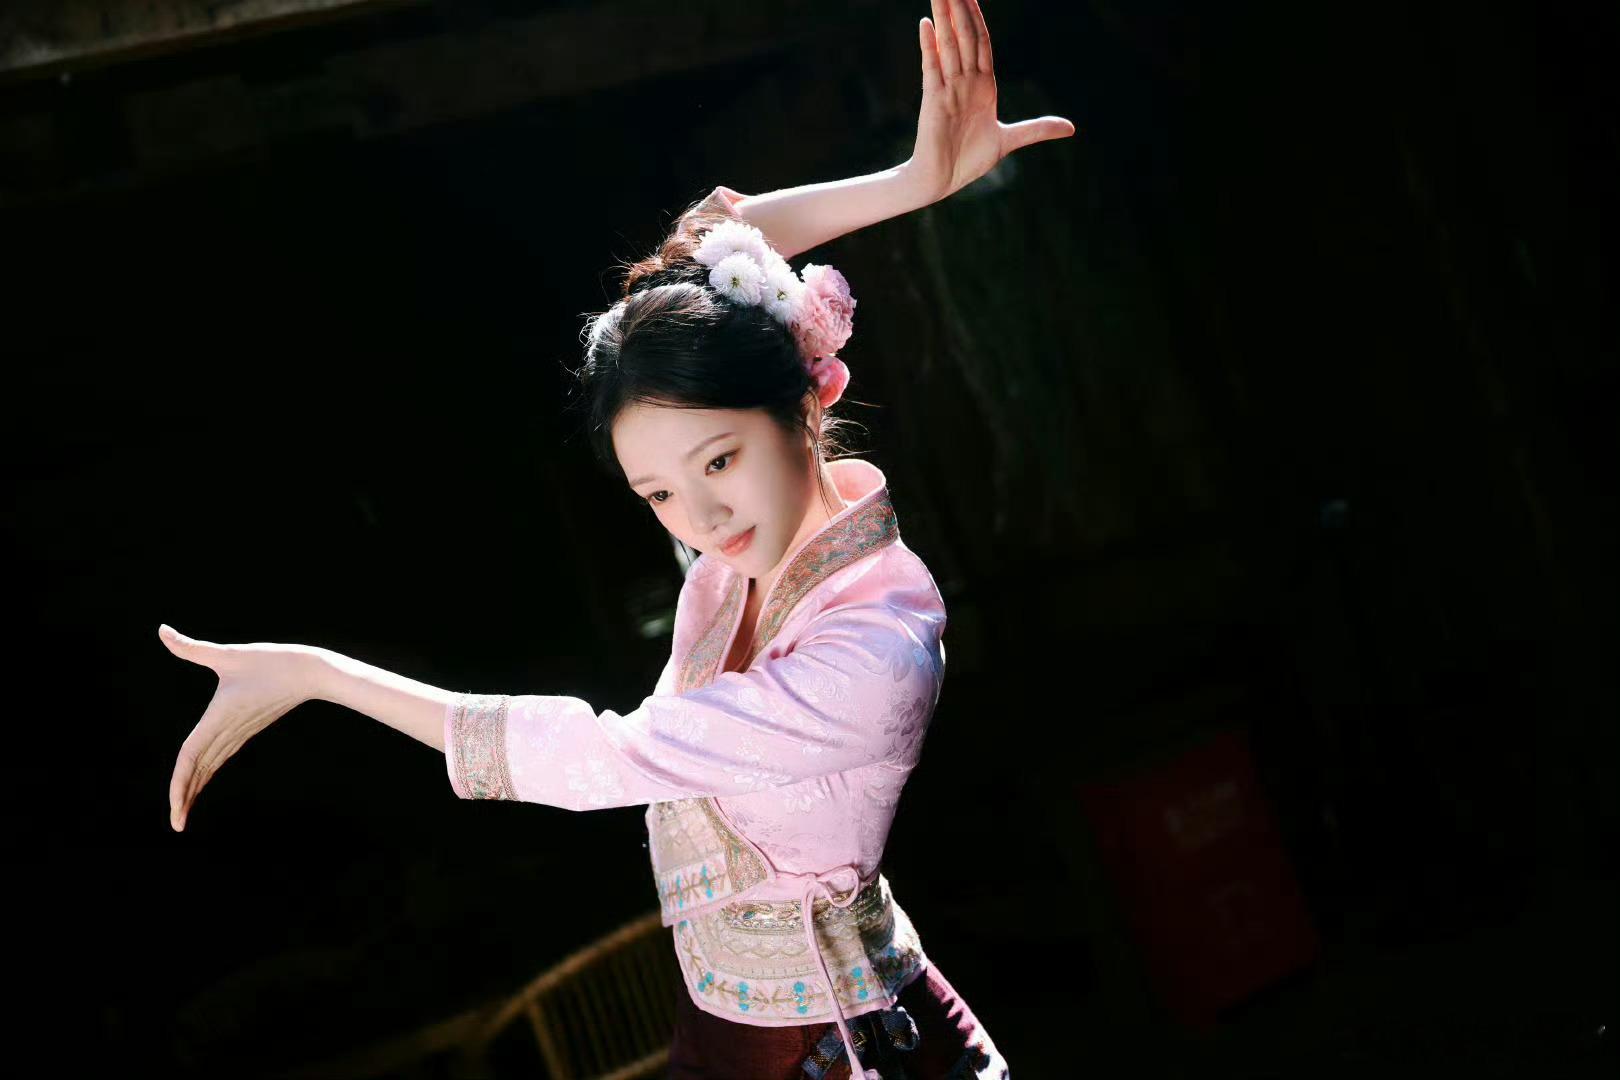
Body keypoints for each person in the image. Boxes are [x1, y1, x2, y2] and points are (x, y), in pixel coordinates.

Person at [162, 2, 1072, 1075]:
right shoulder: (742, 551)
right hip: (728, 1018)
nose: (702, 518)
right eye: (659, 493)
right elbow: (711, 253)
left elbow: (604, 756)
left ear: (804, 404)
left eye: (719, 461)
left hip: (834, 1046)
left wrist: (322, 677)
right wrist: (912, 183)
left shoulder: (876, 643)